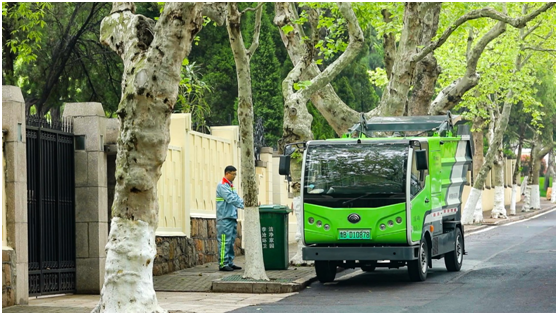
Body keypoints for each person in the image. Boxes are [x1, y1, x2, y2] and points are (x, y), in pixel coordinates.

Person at [216, 165, 244, 271]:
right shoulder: (222, 185)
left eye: (235, 174)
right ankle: (223, 264)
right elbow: (230, 198)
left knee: (231, 241)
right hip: (224, 217)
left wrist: (244, 203)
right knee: (224, 241)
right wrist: (244, 206)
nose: (235, 176)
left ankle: (229, 262)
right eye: (233, 174)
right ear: (227, 173)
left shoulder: (230, 185)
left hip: (231, 216)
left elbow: (236, 197)